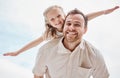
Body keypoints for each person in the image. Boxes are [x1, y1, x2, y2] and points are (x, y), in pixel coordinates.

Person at [3, 5, 119, 56]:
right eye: (52, 19)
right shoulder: (51, 33)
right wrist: (18, 52)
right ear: (49, 23)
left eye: (59, 16)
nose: (57, 20)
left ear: (64, 14)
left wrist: (104, 12)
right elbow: (35, 42)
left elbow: (86, 17)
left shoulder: (71, 21)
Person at [33, 9, 109, 78]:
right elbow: (38, 75)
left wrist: (103, 12)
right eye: (68, 24)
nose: (71, 28)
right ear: (63, 27)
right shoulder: (45, 50)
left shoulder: (95, 55)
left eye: (77, 24)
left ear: (85, 30)